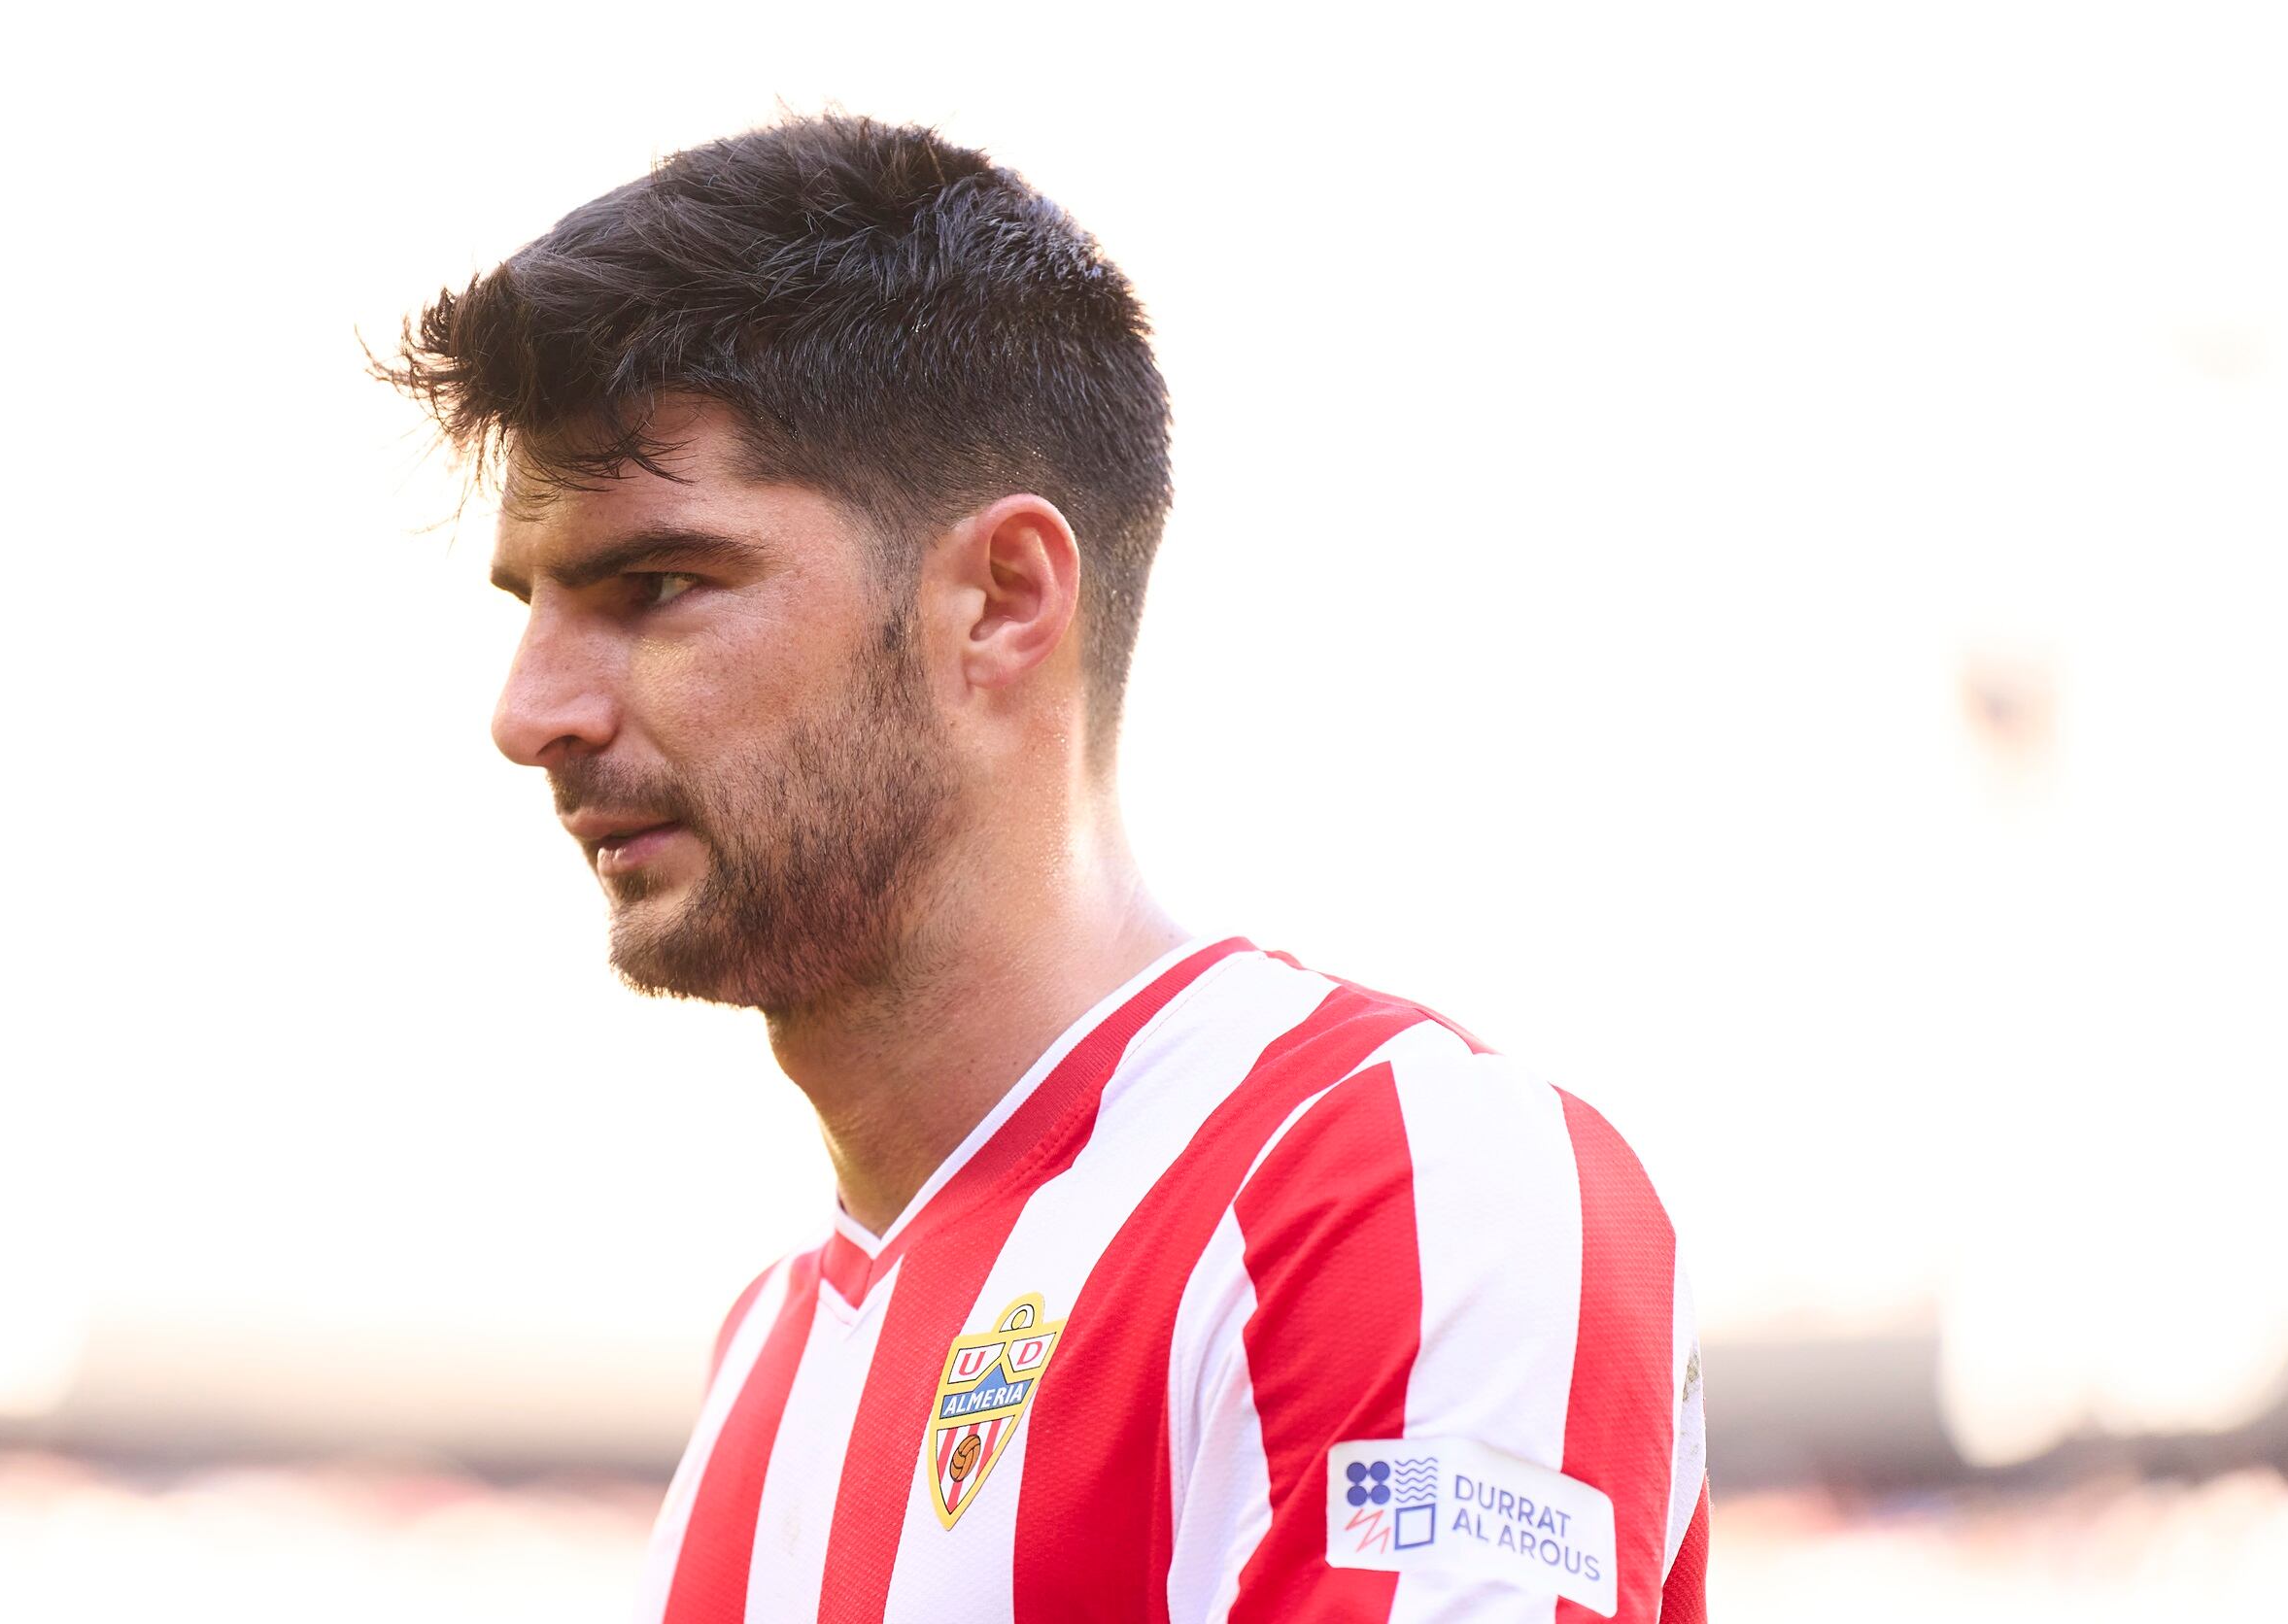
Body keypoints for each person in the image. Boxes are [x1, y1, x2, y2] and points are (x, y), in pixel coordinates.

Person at [381, 115, 1706, 1624]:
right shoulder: (769, 1351)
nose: (530, 710)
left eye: (656, 584)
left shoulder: (1390, 1180)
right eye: (531, 603)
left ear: (1003, 602)